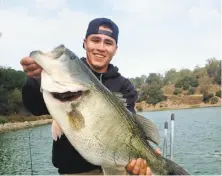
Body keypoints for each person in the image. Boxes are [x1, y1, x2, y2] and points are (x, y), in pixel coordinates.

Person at [20, 17, 159, 175]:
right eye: (95, 40)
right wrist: (36, 79)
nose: (101, 47)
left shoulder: (125, 86)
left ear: (115, 49)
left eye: (108, 42)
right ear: (85, 43)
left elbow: (133, 128)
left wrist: (141, 161)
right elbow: (34, 107)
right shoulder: (66, 73)